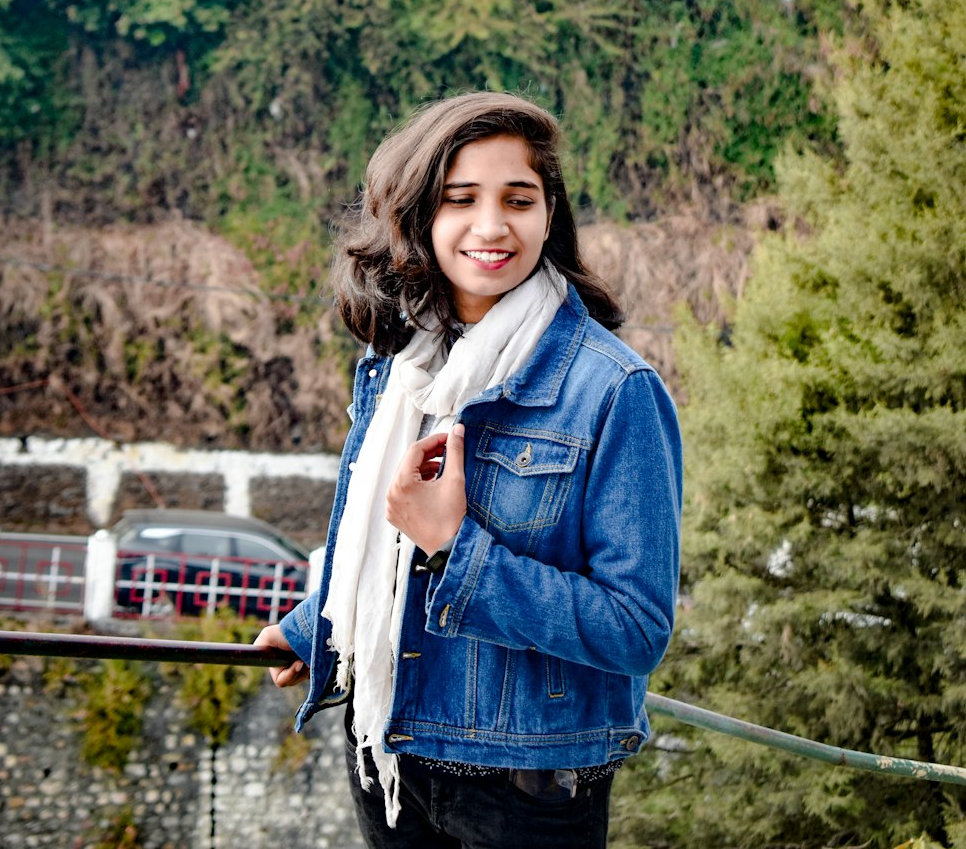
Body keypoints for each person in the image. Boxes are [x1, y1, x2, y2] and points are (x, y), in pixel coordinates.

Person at [254, 92, 682, 848]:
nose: (492, 226)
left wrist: (457, 550)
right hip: (386, 753)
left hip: (525, 787)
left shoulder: (613, 390)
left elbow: (636, 628)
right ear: (419, 216)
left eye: (519, 199)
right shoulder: (397, 365)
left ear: (550, 213)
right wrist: (310, 626)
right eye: (460, 201)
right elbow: (379, 546)